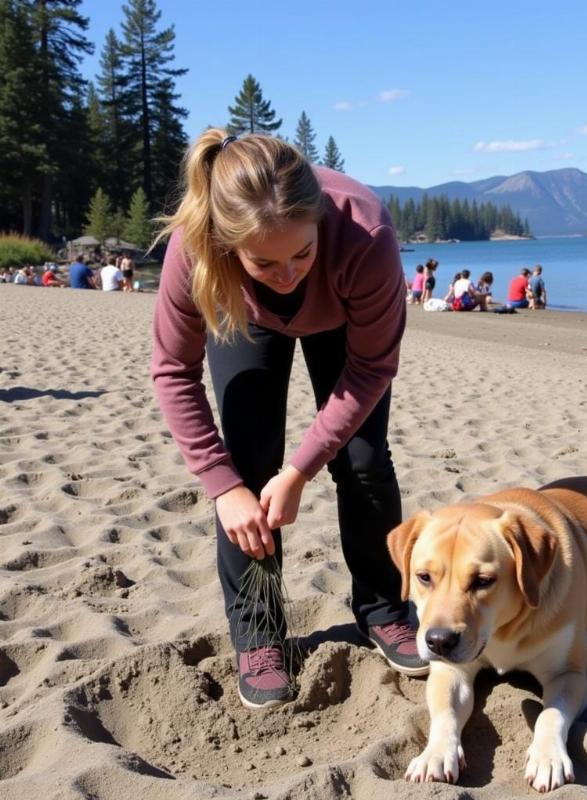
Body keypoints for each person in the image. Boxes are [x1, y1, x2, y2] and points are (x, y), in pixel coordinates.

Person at [151, 129, 428, 710]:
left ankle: (382, 608)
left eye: (302, 253)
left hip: (340, 319)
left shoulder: (365, 232)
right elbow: (173, 371)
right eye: (265, 261)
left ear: (320, 223)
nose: (288, 273)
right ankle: (259, 631)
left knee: (363, 459)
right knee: (247, 468)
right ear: (229, 246)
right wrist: (221, 486)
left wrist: (302, 469)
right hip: (242, 315)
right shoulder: (197, 248)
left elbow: (373, 366)